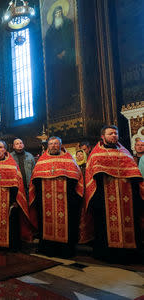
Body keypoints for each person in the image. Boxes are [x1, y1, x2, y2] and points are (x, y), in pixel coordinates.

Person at [80, 125, 144, 263]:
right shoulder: (96, 153)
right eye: (110, 133)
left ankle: (129, 253)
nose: (114, 135)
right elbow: (91, 177)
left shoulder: (125, 152)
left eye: (116, 133)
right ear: (103, 136)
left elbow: (134, 174)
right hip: (104, 198)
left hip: (126, 198)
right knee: (104, 227)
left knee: (130, 225)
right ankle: (107, 254)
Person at [29, 136, 83, 258]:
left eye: (56, 143)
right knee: (46, 224)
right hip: (45, 202)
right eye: (51, 143)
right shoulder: (42, 161)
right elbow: (35, 180)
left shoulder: (69, 160)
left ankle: (66, 251)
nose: (53, 146)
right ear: (48, 146)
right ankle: (47, 249)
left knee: (67, 226)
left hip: (66, 201)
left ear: (61, 145)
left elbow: (76, 179)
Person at [0, 141, 35, 251]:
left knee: (11, 225)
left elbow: (17, 184)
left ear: (5, 149)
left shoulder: (12, 164)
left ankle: (10, 247)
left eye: (1, 147)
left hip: (9, 200)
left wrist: (15, 200)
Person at [45, 5, 77, 116]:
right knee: (58, 83)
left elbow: (72, 40)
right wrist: (56, 54)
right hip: (56, 62)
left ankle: (71, 102)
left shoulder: (68, 23)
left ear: (62, 13)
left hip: (68, 59)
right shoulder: (50, 30)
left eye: (59, 12)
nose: (58, 15)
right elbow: (47, 46)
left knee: (69, 80)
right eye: (56, 13)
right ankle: (61, 105)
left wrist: (66, 51)